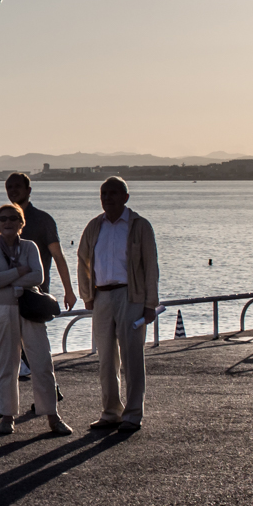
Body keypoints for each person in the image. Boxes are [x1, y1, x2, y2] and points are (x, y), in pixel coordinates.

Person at [0, 172, 77, 417]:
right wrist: (11, 272)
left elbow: (56, 258)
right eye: (9, 187)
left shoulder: (42, 221)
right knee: (9, 361)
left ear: (28, 190)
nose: (13, 190)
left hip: (33, 298)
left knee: (37, 358)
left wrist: (68, 289)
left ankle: (47, 406)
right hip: (4, 305)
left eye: (17, 187)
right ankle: (6, 410)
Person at [77, 177, 159, 434]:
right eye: (104, 193)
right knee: (105, 360)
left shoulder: (139, 226)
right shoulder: (94, 226)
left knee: (132, 357)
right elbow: (83, 261)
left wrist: (150, 304)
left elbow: (150, 266)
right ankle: (111, 412)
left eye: (113, 193)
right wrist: (86, 295)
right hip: (102, 296)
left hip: (130, 296)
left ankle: (133, 414)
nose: (108, 198)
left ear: (125, 197)